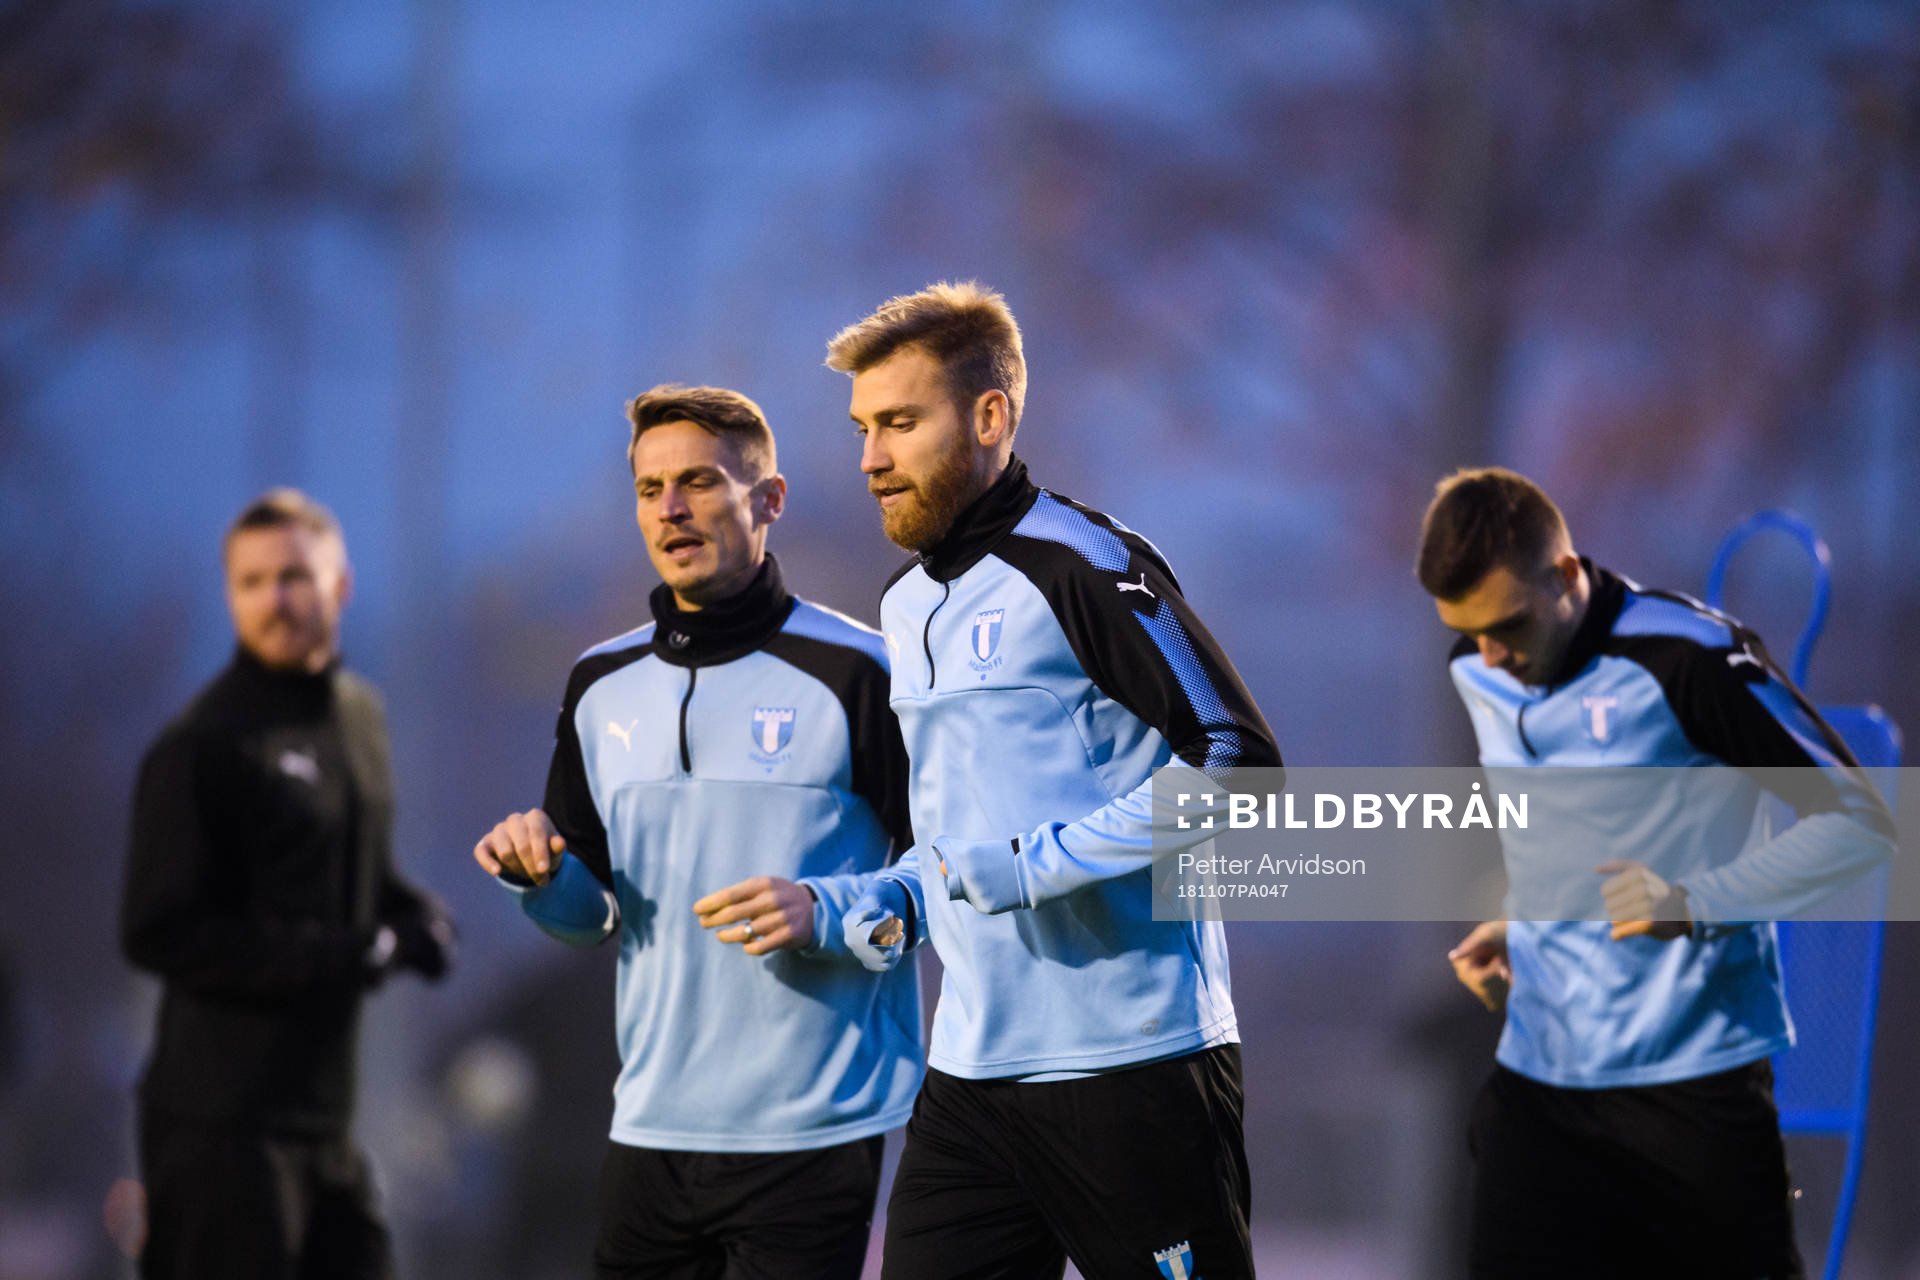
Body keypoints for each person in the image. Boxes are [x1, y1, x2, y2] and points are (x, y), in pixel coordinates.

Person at [824, 281, 1282, 1280]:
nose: (869, 458)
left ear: (990, 415)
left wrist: (1037, 867)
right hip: (971, 1079)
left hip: (1136, 1067)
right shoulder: (904, 605)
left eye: (899, 422)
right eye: (863, 427)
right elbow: (965, 830)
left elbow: (1241, 762)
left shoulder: (1083, 564)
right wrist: (892, 895)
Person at [471, 384, 922, 1280]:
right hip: (648, 1130)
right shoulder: (599, 684)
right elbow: (590, 918)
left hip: (816, 1128)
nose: (670, 509)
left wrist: (826, 913)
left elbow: (946, 881)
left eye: (700, 483)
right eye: (649, 488)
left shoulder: (864, 673)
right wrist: (537, 879)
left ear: (769, 501)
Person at [1419, 467, 1895, 1280]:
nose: (1491, 657)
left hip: (1693, 1098)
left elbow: (1864, 827)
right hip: (1539, 1088)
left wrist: (1696, 901)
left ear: (1566, 576)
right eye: (1470, 632)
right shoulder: (1480, 664)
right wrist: (1530, 926)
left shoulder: (1688, 658)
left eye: (1509, 625)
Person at [122, 489, 455, 1280]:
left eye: (295, 576)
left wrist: (415, 921)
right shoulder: (202, 745)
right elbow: (157, 928)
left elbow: (354, 869)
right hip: (219, 1127)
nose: (275, 599)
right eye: (251, 582)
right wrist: (341, 954)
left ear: (340, 586)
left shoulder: (359, 717)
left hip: (326, 1126)